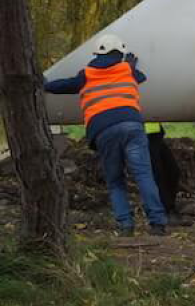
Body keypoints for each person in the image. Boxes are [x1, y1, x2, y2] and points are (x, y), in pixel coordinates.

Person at [44, 34, 168, 236]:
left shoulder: (87, 74)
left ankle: (125, 226)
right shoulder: (128, 70)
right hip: (132, 125)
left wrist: (44, 83)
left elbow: (63, 86)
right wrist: (130, 65)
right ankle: (157, 224)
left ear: (97, 54)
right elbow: (142, 77)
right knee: (144, 175)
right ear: (120, 53)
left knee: (116, 180)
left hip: (104, 130)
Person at [143, 122, 182, 220]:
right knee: (157, 174)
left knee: (173, 171)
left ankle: (168, 207)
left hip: (155, 134)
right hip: (143, 136)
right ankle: (166, 210)